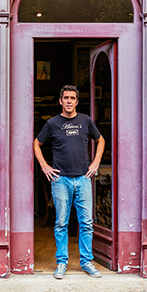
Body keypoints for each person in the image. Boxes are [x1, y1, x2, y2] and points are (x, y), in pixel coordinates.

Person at [34, 85, 105, 279]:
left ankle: (86, 262)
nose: (69, 101)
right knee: (61, 223)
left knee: (86, 223)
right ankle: (62, 263)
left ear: (76, 101)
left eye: (72, 98)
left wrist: (96, 162)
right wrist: (44, 166)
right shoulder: (52, 123)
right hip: (60, 180)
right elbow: (37, 143)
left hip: (83, 178)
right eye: (65, 98)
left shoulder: (85, 121)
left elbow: (101, 140)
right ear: (60, 101)